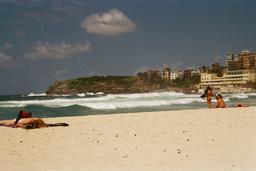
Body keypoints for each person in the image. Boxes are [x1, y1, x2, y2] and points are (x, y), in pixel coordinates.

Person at [0, 110, 69, 129]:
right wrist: (58, 124)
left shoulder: (22, 120)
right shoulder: (27, 119)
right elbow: (47, 124)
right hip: (19, 122)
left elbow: (18, 124)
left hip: (14, 122)